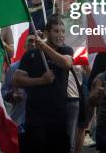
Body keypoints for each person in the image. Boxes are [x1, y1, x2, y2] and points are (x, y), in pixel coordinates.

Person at [13, 16, 73, 153]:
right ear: (46, 33)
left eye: (63, 31)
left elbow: (66, 63)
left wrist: (44, 46)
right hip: (35, 117)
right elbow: (17, 79)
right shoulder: (31, 54)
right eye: (56, 31)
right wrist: (41, 80)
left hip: (58, 117)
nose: (61, 35)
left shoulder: (66, 50)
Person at [1, 34, 35, 127]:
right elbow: (3, 91)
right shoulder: (13, 68)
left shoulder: (45, 68)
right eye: (30, 41)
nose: (33, 44)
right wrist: (12, 96)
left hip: (38, 121)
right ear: (24, 46)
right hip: (18, 120)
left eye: (36, 41)